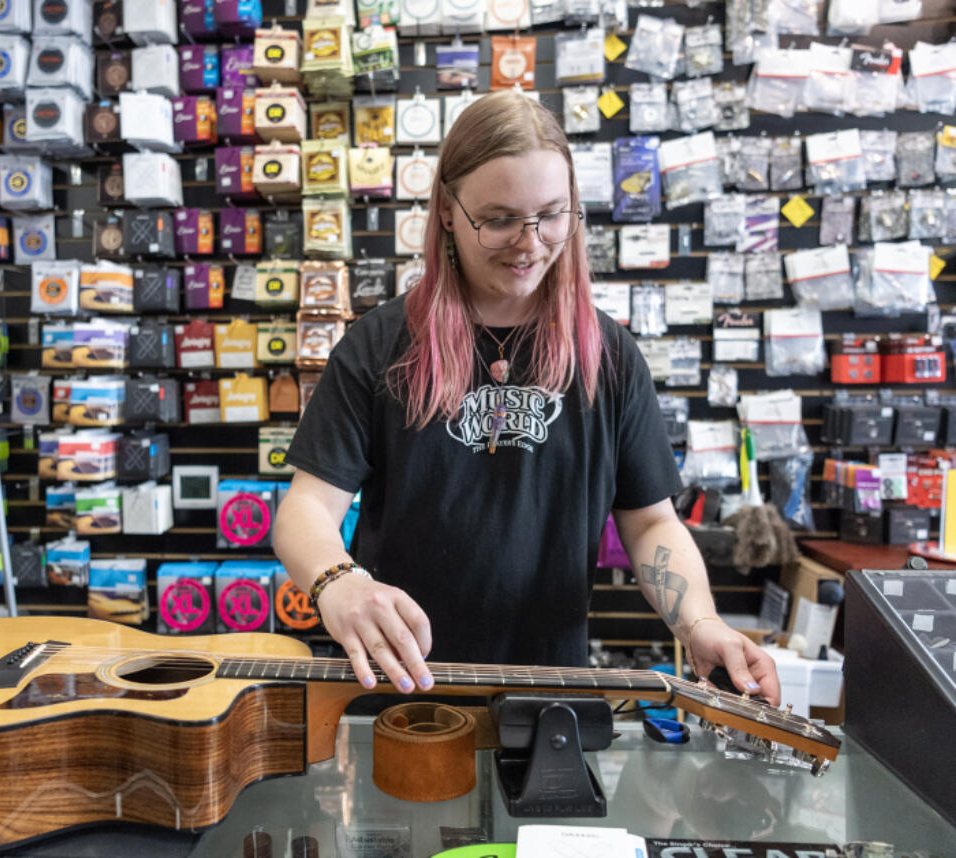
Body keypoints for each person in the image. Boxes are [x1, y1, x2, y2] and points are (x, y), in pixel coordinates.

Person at [272, 91, 781, 706]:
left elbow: (650, 522)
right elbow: (307, 509)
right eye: (500, 217)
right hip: (401, 696)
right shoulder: (379, 345)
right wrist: (339, 582)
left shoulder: (609, 355)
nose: (531, 242)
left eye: (552, 214)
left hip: (551, 697)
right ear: (448, 212)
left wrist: (700, 623)